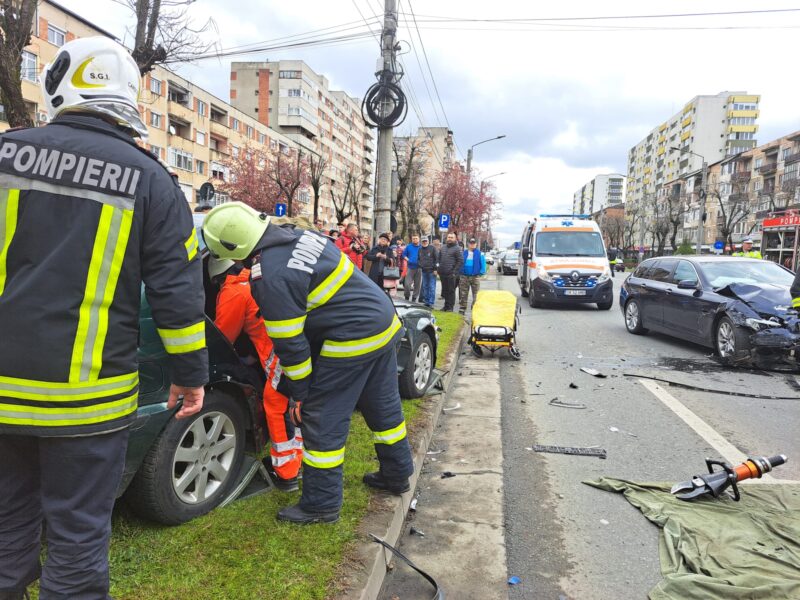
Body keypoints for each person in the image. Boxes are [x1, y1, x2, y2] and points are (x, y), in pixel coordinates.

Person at [0, 37, 208, 599]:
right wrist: (191, 375)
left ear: (61, 86)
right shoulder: (153, 181)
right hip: (88, 402)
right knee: (76, 537)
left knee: (5, 526)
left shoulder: (4, 154)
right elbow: (178, 295)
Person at [202, 203, 413, 524]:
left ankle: (321, 504)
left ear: (233, 249)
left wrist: (300, 395)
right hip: (383, 323)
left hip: (352, 337)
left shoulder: (269, 276)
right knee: (383, 405)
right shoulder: (299, 237)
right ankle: (397, 474)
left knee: (321, 419)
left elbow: (291, 345)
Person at [209, 258, 301, 491]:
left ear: (217, 278)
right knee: (298, 405)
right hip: (299, 347)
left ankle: (286, 473)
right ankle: (298, 459)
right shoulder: (257, 278)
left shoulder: (232, 292)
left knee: (276, 405)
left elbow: (223, 338)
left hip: (281, 357)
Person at [459, 238, 486, 315]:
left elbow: (483, 264)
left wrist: (481, 272)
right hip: (464, 276)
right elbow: (460, 262)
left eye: (474, 243)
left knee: (476, 294)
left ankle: (474, 307)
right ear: (468, 244)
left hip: (475, 276)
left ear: (476, 244)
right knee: (463, 294)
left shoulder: (480, 253)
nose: (472, 244)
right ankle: (462, 308)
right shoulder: (463, 253)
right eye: (471, 243)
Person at [438, 232, 464, 311]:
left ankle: (450, 307)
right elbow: (439, 259)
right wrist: (438, 269)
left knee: (451, 291)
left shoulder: (457, 248)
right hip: (443, 273)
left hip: (451, 274)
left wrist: (454, 271)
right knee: (445, 291)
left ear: (455, 239)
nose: (449, 239)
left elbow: (460, 261)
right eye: (449, 237)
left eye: (451, 237)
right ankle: (445, 306)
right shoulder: (443, 247)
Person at [418, 236, 439, 307]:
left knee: (432, 287)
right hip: (424, 271)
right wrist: (420, 265)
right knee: (425, 287)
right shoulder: (420, 249)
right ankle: (426, 301)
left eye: (425, 241)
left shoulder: (433, 248)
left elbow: (437, 259)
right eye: (423, 241)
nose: (424, 242)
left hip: (432, 271)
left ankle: (431, 302)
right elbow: (418, 259)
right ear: (421, 242)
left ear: (428, 241)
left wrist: (436, 269)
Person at [402, 235, 422, 302]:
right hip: (410, 268)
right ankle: (407, 297)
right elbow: (404, 255)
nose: (415, 240)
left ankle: (414, 298)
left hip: (419, 268)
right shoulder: (409, 246)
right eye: (413, 239)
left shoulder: (421, 247)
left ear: (419, 239)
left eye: (416, 238)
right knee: (407, 284)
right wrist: (408, 259)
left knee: (417, 285)